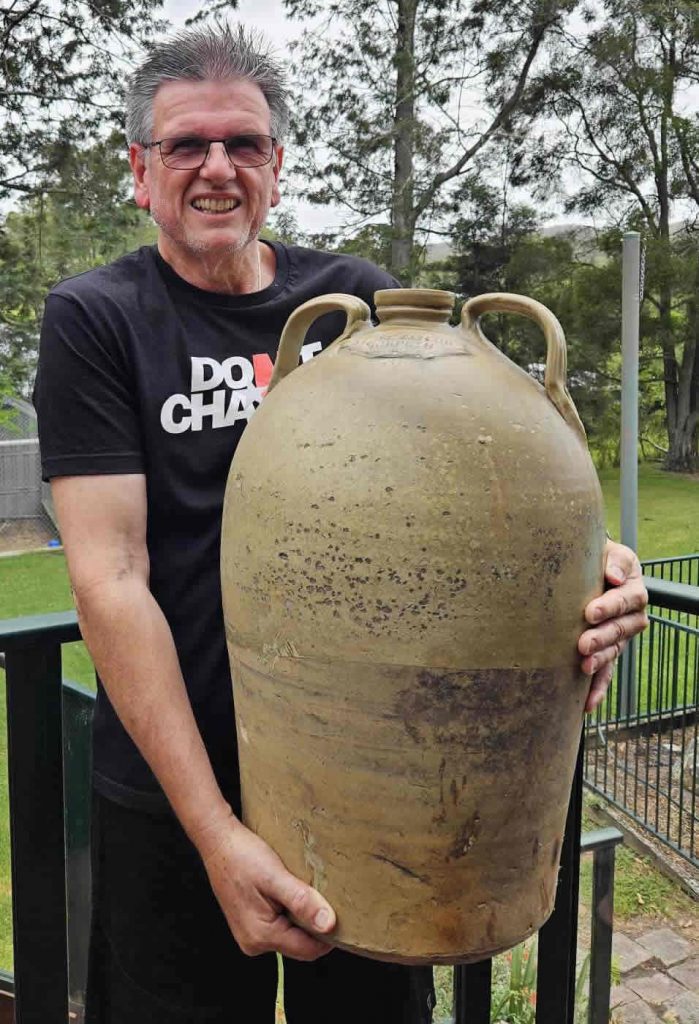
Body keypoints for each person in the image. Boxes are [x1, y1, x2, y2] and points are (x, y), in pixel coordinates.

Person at [33, 23, 649, 1024]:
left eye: (244, 143)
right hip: (178, 792)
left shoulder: (353, 304)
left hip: (374, 788)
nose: (217, 168)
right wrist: (219, 834)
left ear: (277, 165)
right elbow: (113, 577)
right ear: (140, 170)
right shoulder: (97, 319)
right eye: (187, 145)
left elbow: (482, 495)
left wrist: (590, 570)